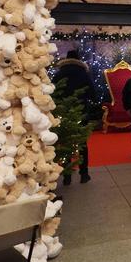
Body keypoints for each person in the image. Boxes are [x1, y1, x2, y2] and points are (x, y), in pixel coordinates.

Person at [52, 49, 95, 185]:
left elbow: (53, 93)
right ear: (79, 59)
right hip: (81, 113)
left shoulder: (58, 74)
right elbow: (92, 93)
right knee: (81, 144)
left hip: (63, 114)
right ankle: (84, 174)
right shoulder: (84, 74)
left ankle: (67, 176)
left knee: (65, 144)